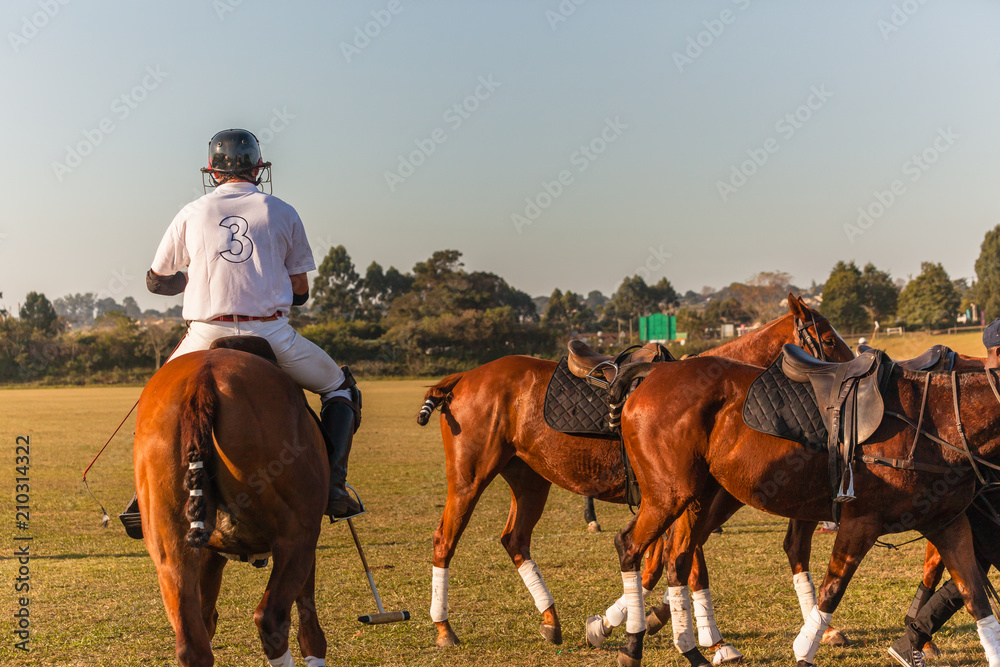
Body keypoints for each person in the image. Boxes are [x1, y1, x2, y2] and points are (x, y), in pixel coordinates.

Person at [130, 128, 361, 523]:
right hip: (271, 333)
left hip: (204, 335)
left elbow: (155, 280)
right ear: (258, 168)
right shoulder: (282, 211)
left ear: (212, 171)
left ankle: (142, 498)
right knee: (340, 388)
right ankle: (335, 487)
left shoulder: (192, 211)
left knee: (156, 401)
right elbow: (301, 291)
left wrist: (196, 278)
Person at [888, 318, 1000, 667]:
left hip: (986, 496)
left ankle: (911, 639)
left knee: (971, 573)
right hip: (980, 497)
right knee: (971, 573)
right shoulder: (982, 389)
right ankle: (912, 638)